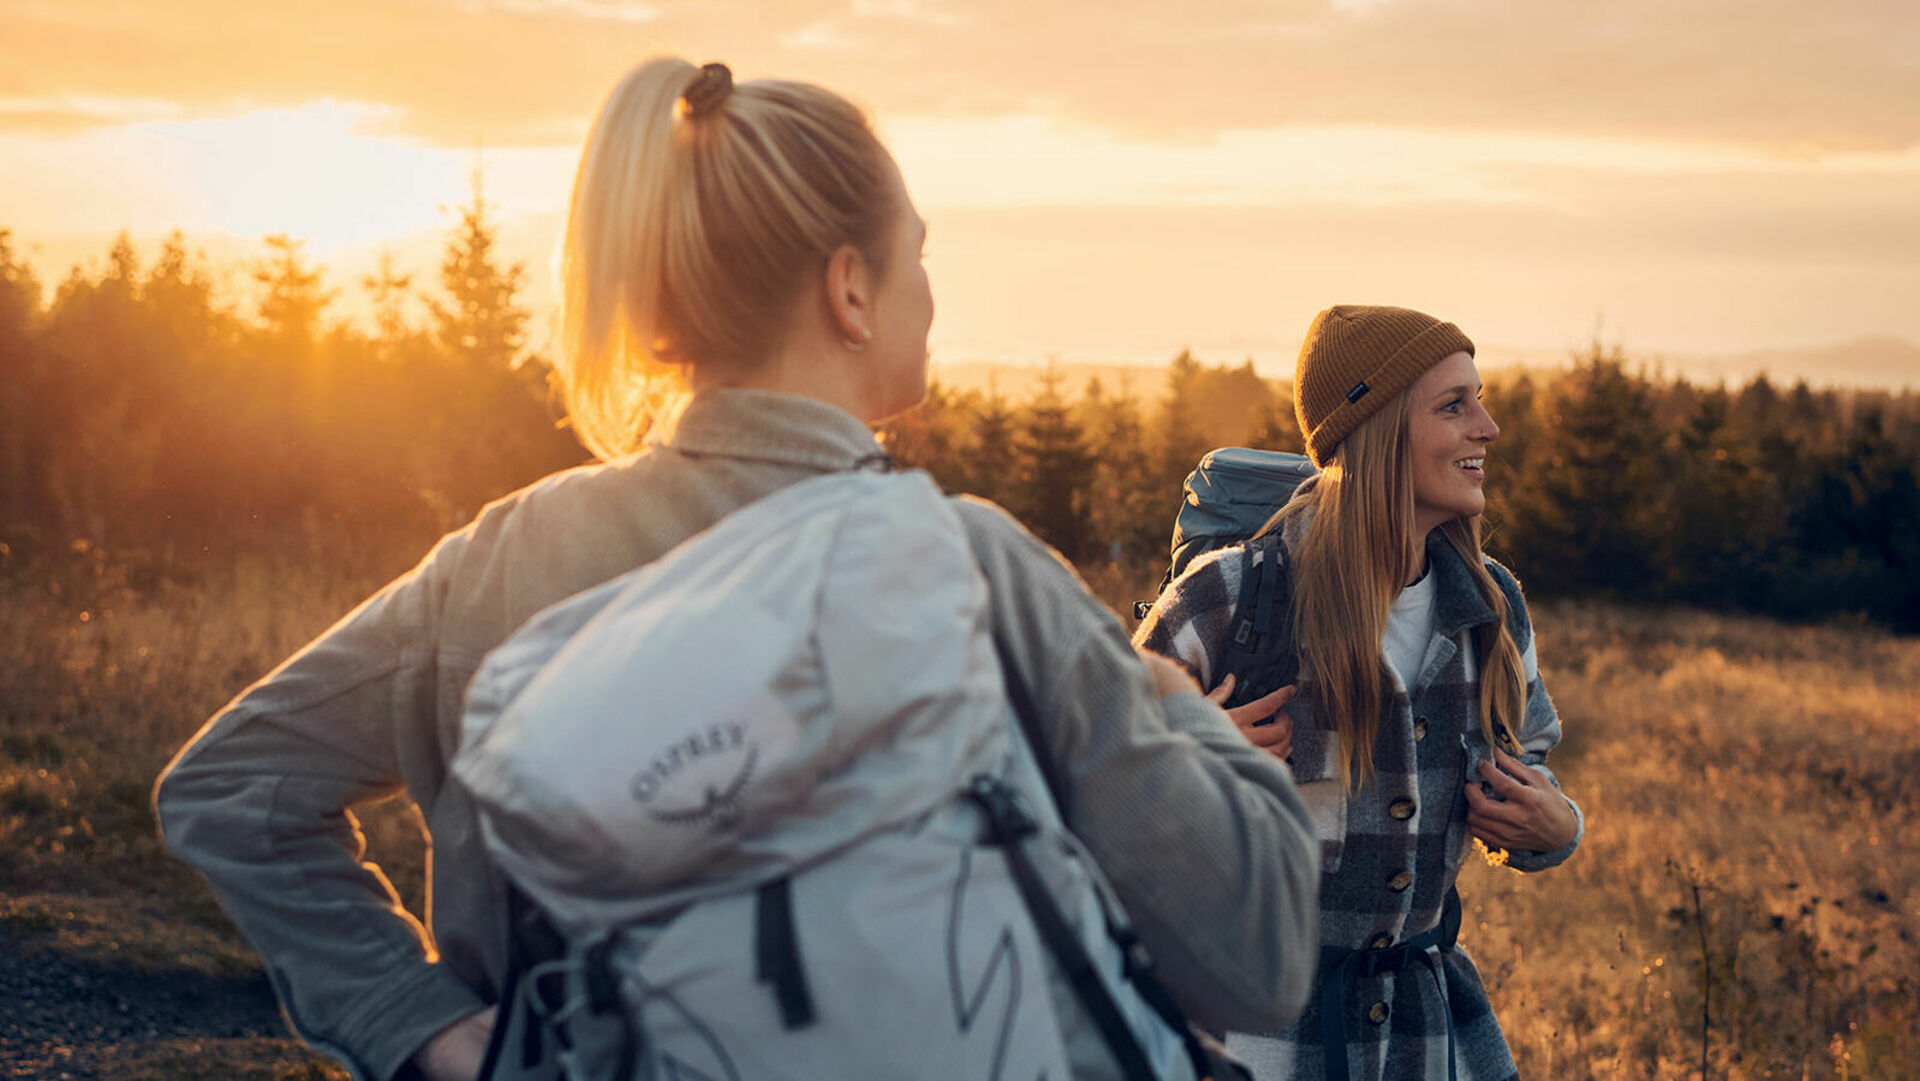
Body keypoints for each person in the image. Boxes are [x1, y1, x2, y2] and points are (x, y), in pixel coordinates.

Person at [154, 57, 1320, 1081]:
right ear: (848, 288)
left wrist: (429, 1028)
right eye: (918, 254)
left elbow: (233, 789)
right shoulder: (970, 572)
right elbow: (1257, 955)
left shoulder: (499, 561)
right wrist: (1178, 710)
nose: (929, 290)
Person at [1135, 305, 1583, 1081]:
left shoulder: (1491, 609)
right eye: (1454, 405)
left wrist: (1557, 826)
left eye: (1479, 397)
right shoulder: (1228, 603)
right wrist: (1189, 766)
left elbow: (1531, 783)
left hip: (1425, 1044)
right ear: (1373, 432)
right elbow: (1073, 809)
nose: (1490, 427)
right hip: (1248, 1042)